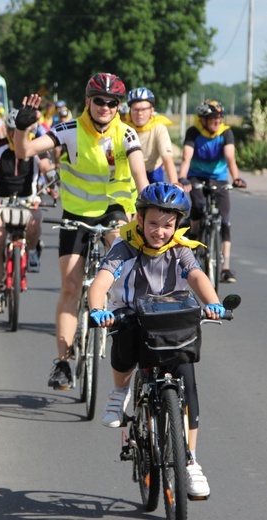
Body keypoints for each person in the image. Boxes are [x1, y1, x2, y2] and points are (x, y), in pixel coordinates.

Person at [88, 182, 226, 498]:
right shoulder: (124, 245)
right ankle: (120, 390)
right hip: (132, 316)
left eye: (168, 225)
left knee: (188, 384)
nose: (160, 231)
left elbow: (196, 277)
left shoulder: (180, 248)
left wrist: (213, 302)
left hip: (171, 321)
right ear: (139, 219)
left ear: (177, 224)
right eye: (153, 223)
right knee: (123, 347)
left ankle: (190, 461)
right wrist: (98, 309)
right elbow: (101, 283)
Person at [14, 72, 149, 389]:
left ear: (118, 107)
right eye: (99, 101)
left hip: (115, 209)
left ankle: (124, 325)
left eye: (112, 102)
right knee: (71, 287)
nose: (105, 107)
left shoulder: (127, 134)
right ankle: (62, 363)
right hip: (76, 213)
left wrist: (150, 208)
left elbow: (141, 177)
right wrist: (21, 128)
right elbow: (24, 152)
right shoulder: (69, 130)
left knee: (123, 266)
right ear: (88, 101)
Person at [0, 108, 54, 313]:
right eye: (11, 131)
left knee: (36, 218)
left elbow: (47, 169)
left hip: (28, 200)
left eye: (19, 131)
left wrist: (52, 184)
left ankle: (32, 250)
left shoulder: (36, 146)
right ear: (6, 130)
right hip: (2, 201)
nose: (15, 135)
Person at [178, 99, 247, 283]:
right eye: (212, 118)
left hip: (219, 177)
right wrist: (182, 177)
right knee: (199, 207)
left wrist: (237, 178)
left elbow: (230, 158)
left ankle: (225, 268)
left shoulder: (226, 133)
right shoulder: (194, 132)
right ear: (202, 120)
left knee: (224, 220)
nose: (217, 121)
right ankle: (193, 231)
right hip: (196, 176)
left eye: (219, 118)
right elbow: (186, 157)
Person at [125, 88, 179, 184]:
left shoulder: (158, 128)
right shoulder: (124, 127)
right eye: (135, 109)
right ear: (129, 110)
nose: (139, 113)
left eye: (144, 109)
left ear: (152, 110)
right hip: (129, 173)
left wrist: (175, 183)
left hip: (152, 172)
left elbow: (167, 159)